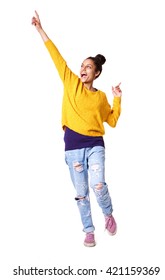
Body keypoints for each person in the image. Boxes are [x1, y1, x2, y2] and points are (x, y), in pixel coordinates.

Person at [32, 11, 122, 247]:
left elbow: (111, 121)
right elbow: (56, 56)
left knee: (98, 184)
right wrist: (41, 29)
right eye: (81, 65)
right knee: (81, 194)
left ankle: (108, 213)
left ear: (97, 73)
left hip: (94, 146)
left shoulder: (101, 97)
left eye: (88, 67)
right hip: (73, 148)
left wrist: (117, 99)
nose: (82, 69)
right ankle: (89, 231)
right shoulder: (71, 82)